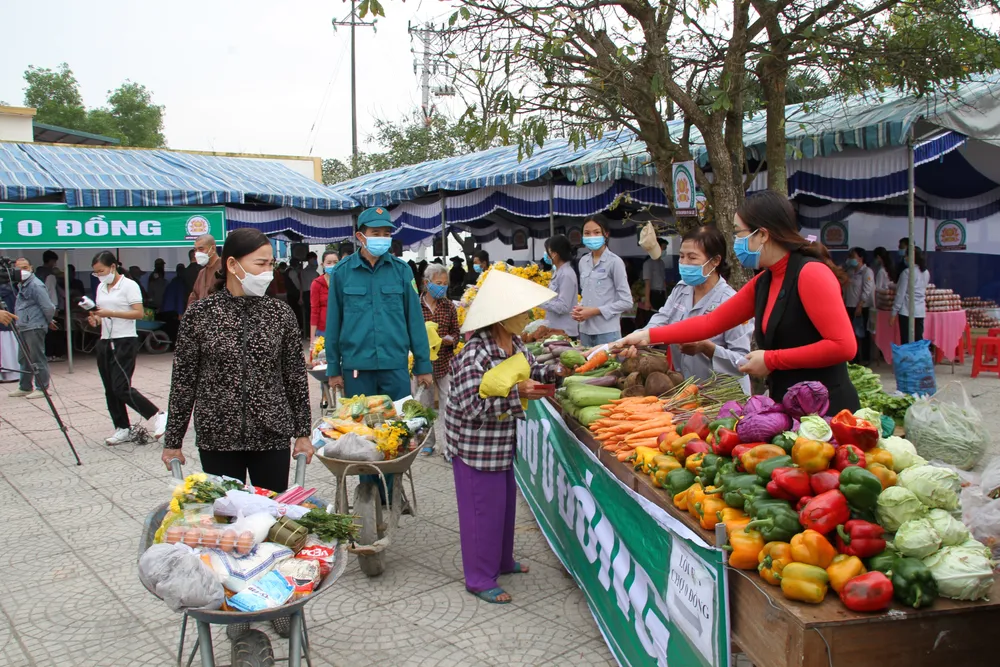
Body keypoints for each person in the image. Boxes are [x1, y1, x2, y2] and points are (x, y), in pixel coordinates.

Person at [616, 191, 860, 414]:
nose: (736, 241)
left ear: (762, 234)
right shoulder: (765, 281)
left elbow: (844, 346)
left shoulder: (811, 273)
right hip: (788, 404)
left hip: (826, 409)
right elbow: (710, 323)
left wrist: (771, 359)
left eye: (738, 233)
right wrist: (648, 335)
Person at [161, 228, 314, 491]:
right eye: (260, 264)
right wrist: (173, 441)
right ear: (232, 264)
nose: (268, 272)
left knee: (270, 510)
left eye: (271, 264)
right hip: (217, 437)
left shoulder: (280, 314)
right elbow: (184, 382)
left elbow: (295, 378)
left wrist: (303, 433)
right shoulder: (200, 314)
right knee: (227, 513)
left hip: (271, 435)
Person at [446, 269, 563, 604]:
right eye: (521, 312)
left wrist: (554, 372)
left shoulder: (514, 343)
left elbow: (531, 369)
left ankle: (501, 561)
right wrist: (517, 394)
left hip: (500, 443)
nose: (527, 317)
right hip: (475, 446)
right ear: (501, 317)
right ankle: (479, 578)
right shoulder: (475, 354)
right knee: (481, 512)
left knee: (503, 505)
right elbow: (472, 407)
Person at [326, 207, 433, 398]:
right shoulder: (342, 272)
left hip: (395, 366)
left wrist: (423, 365)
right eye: (375, 233)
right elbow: (334, 323)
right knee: (360, 418)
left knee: (399, 417)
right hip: (357, 368)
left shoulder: (402, 271)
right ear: (361, 236)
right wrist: (333, 368)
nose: (382, 238)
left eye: (386, 234)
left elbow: (415, 321)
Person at [635, 226, 752, 394]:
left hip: (722, 396)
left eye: (692, 257)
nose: (684, 263)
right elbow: (662, 319)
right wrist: (639, 338)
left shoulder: (732, 302)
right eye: (681, 256)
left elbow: (743, 362)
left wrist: (708, 348)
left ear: (715, 261)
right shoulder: (681, 289)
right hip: (687, 392)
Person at [87, 252, 168, 444]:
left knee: (120, 387)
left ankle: (158, 414)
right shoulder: (101, 287)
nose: (99, 275)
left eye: (101, 271)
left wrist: (111, 312)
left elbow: (138, 313)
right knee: (110, 389)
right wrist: (96, 319)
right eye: (96, 272)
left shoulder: (129, 285)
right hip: (105, 339)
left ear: (113, 267)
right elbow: (101, 314)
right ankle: (122, 427)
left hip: (124, 340)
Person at [416, 263, 460, 456]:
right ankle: (426, 442)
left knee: (448, 404)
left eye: (444, 283)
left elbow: (456, 332)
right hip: (421, 363)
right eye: (438, 283)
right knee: (423, 405)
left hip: (444, 361)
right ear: (427, 283)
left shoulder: (448, 306)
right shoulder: (415, 306)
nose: (442, 287)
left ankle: (448, 445)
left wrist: (451, 340)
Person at [574, 218, 632, 347]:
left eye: (596, 232)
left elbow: (627, 302)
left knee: (609, 361)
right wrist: (580, 308)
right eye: (587, 233)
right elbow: (587, 294)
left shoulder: (615, 262)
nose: (591, 237)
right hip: (585, 331)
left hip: (607, 332)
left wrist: (594, 311)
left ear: (606, 234)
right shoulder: (583, 262)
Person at [8, 258, 55, 399]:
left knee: (37, 358)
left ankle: (42, 387)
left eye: (25, 267)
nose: (23, 271)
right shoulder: (22, 285)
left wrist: (48, 321)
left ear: (31, 268)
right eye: (19, 268)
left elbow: (48, 306)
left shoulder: (36, 285)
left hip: (34, 325)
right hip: (23, 325)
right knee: (24, 359)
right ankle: (25, 386)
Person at [541, 235, 579, 338]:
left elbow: (563, 307)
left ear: (555, 254)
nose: (547, 255)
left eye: (548, 251)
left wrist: (540, 302)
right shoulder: (558, 272)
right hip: (555, 330)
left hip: (564, 333)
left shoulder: (566, 274)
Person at [891, 246, 931, 344]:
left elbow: (900, 294)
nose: (905, 258)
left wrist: (894, 312)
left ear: (912, 257)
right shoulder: (926, 272)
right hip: (920, 311)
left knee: (906, 341)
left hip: (906, 311)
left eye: (906, 256)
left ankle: (907, 354)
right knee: (918, 340)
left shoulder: (907, 272)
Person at [844, 247, 874, 364]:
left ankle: (865, 358)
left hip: (861, 307)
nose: (850, 259)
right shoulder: (850, 271)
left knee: (863, 333)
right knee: (852, 334)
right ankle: (854, 358)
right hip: (849, 305)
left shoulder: (867, 272)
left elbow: (867, 290)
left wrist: (860, 305)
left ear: (860, 258)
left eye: (853, 257)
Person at [309, 250, 339, 347]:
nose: (332, 265)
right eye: (329, 263)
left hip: (342, 329)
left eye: (335, 262)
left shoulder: (344, 282)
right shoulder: (316, 284)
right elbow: (314, 311)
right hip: (323, 330)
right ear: (323, 264)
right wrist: (312, 338)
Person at [639, 238, 669, 328]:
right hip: (653, 294)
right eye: (663, 248)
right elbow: (647, 283)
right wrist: (647, 301)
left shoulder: (661, 263)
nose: (664, 251)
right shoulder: (648, 263)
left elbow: (663, 281)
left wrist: (666, 296)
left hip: (661, 294)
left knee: (663, 319)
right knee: (652, 319)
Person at [188, 235, 221, 308]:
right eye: (195, 250)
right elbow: (194, 296)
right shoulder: (202, 273)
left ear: (213, 248)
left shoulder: (224, 269)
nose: (197, 253)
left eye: (201, 249)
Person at [0, 286, 19, 383]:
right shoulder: (12, 290)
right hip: (9, 326)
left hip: (7, 324)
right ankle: (13, 374)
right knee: (10, 352)